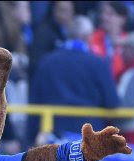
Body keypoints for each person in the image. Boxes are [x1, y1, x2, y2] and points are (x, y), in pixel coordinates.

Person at [28, 15, 119, 143]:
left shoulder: (46, 62)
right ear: (87, 37)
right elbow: (112, 102)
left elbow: (34, 101)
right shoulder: (99, 63)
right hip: (89, 139)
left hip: (52, 136)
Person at [28, 1, 74, 79]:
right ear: (54, 10)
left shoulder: (70, 32)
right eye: (62, 10)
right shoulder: (43, 32)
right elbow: (36, 62)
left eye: (68, 11)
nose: (64, 15)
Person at [89, 1, 128, 79]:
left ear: (122, 19)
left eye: (110, 14)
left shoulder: (128, 43)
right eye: (103, 13)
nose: (104, 17)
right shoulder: (92, 38)